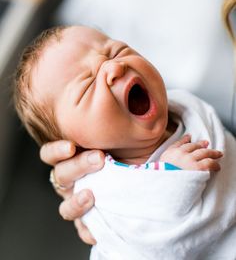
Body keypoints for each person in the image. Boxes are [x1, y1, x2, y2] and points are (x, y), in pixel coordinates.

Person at [15, 25, 236, 259]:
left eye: (116, 51)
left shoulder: (189, 109)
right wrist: (172, 177)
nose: (115, 67)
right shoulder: (105, 191)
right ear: (76, 147)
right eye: (88, 85)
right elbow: (155, 249)